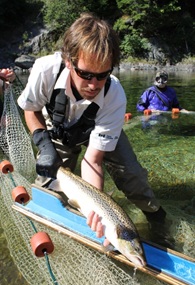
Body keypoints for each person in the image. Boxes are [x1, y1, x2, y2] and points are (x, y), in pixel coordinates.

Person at [18, 13, 174, 249]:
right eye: (86, 74)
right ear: (69, 60)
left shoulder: (115, 94)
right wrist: (43, 144)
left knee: (133, 177)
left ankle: (157, 219)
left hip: (98, 132)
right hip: (58, 131)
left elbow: (93, 159)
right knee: (45, 190)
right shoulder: (44, 70)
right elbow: (31, 111)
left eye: (102, 75)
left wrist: (97, 210)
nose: (93, 85)